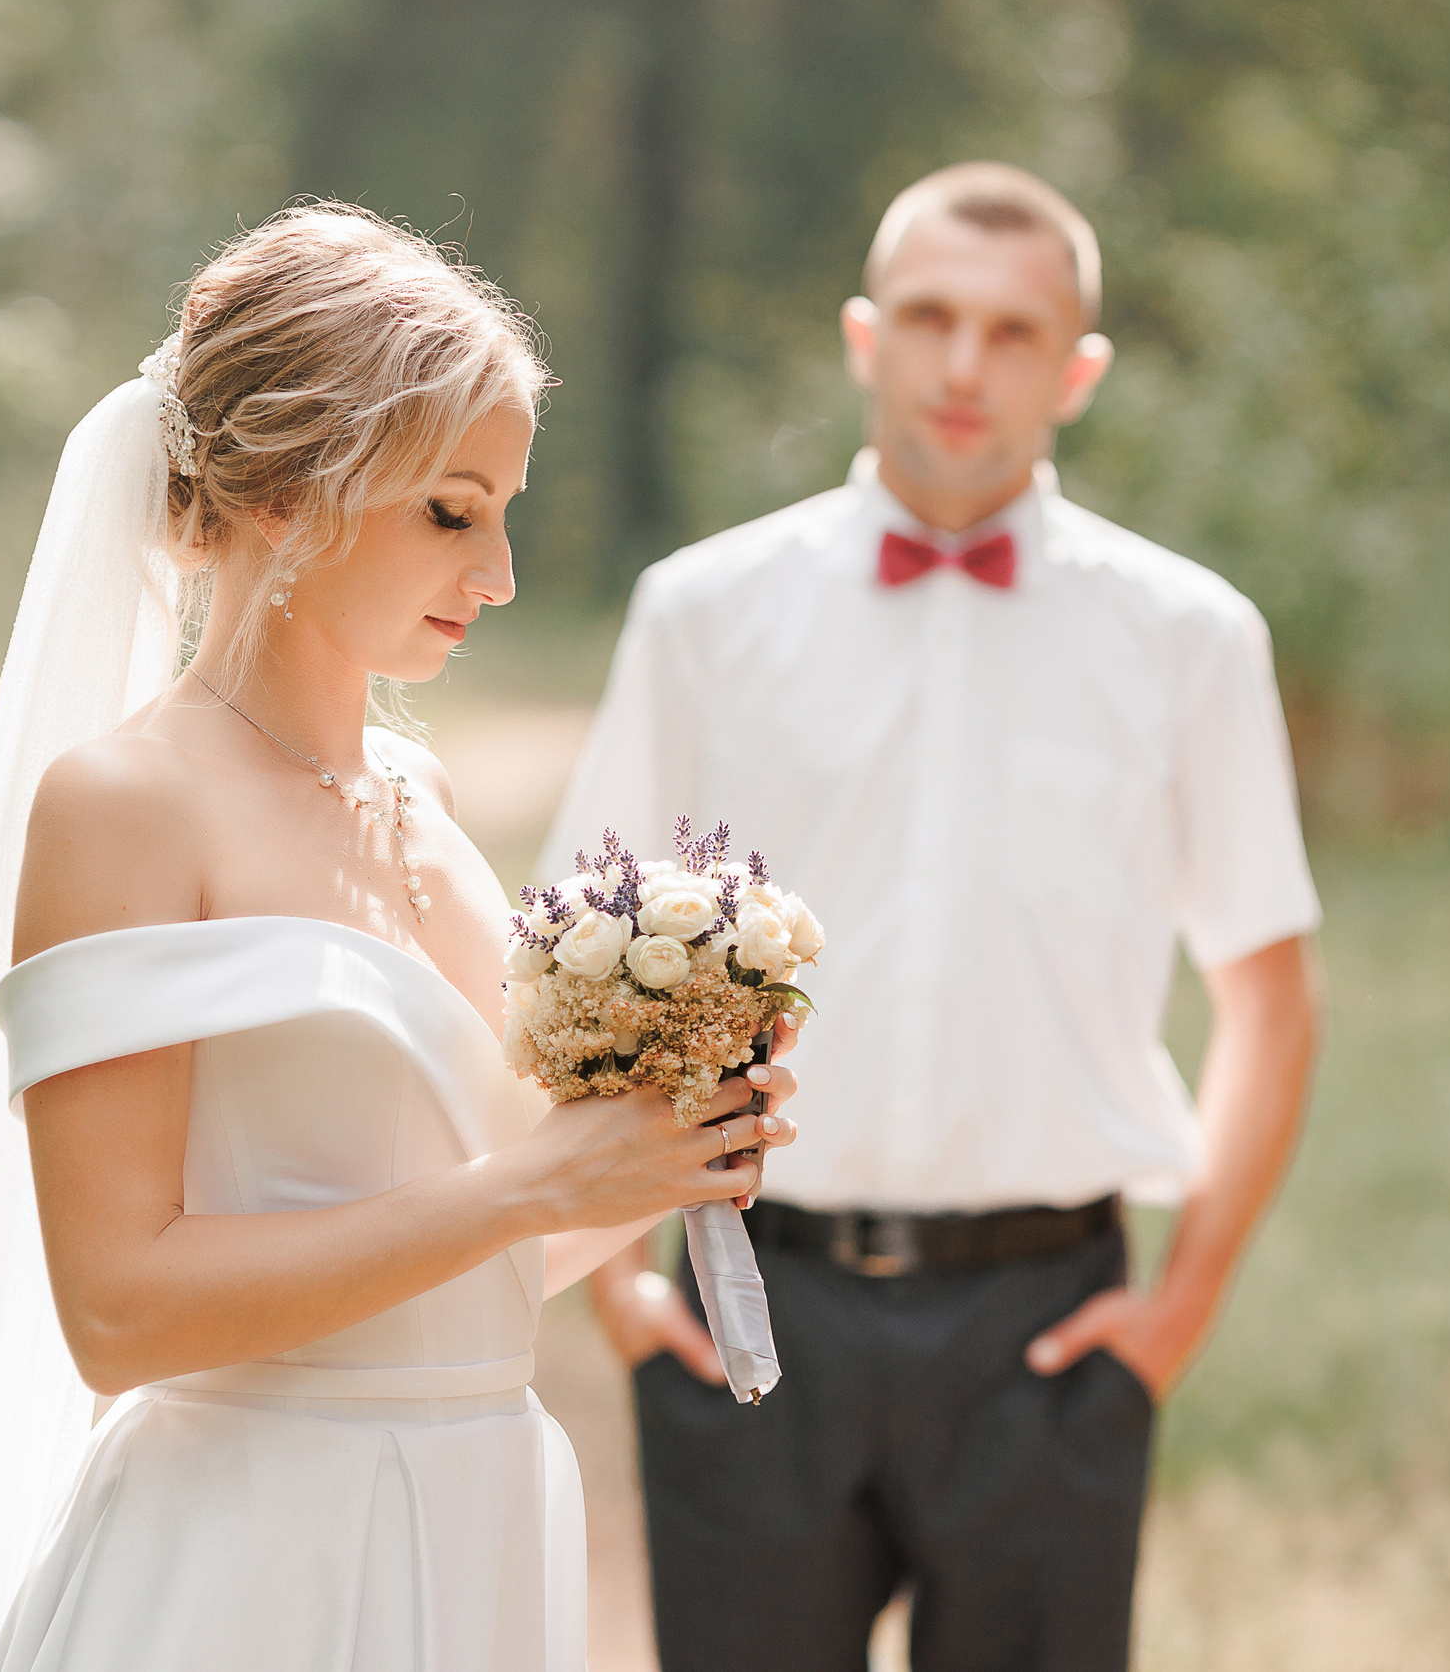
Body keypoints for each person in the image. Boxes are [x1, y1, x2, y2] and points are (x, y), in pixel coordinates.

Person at [0, 203, 802, 1672]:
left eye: (505, 513)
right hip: (257, 1562)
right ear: (284, 494)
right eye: (452, 511)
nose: (497, 576)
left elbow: (471, 1264)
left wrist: (665, 1153)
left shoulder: (422, 798)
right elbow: (118, 1310)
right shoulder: (127, 803)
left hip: (476, 1520)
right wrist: (527, 1189)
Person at [550, 162, 1326, 1671]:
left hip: (1049, 1332)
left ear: (1078, 369)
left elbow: (1271, 996)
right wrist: (619, 1285)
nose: (965, 365)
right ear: (864, 335)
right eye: (930, 317)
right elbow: (584, 948)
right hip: (745, 1299)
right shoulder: (703, 611)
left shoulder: (1190, 638)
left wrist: (1185, 1304)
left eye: (1014, 331)